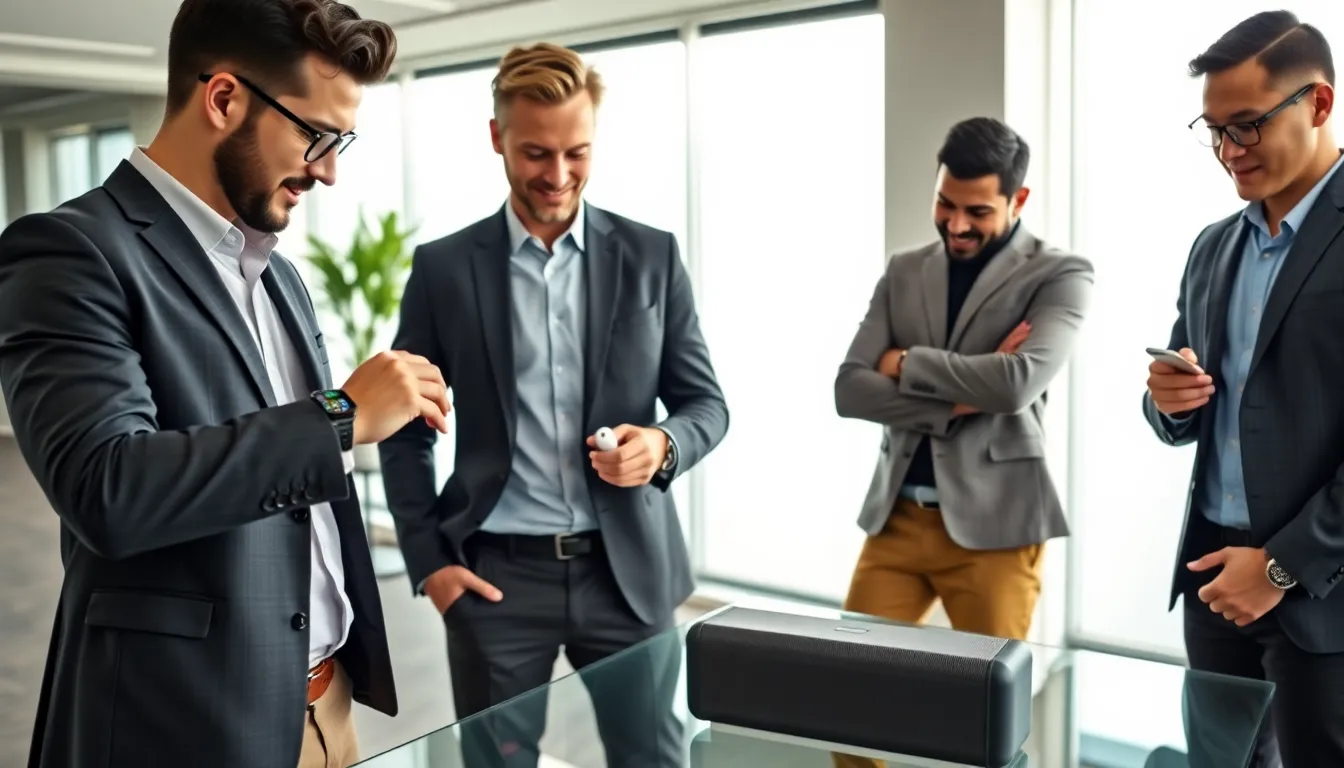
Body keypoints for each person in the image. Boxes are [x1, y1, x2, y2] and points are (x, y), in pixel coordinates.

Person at [0, 3, 437, 767]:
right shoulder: (69, 252)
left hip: (325, 711)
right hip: (183, 723)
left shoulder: (281, 277)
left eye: (344, 142)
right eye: (317, 136)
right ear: (225, 98)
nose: (330, 169)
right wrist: (340, 415)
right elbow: (108, 488)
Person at [379, 42, 728, 767]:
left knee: (653, 758)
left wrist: (663, 446)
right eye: (537, 152)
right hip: (497, 580)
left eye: (578, 152)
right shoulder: (443, 269)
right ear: (496, 137)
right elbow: (405, 425)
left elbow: (704, 404)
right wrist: (429, 563)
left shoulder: (651, 256)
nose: (559, 176)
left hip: (628, 574)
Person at [1143, 11, 1344, 768]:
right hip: (1213, 580)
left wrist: (1282, 566)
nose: (1230, 151)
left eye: (1249, 125)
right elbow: (1185, 411)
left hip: (1323, 594)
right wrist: (1166, 404)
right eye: (1216, 129)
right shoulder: (1213, 246)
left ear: (1318, 104)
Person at [833, 114, 1092, 685]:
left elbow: (1014, 384)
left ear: (1017, 198)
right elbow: (850, 388)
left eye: (977, 211)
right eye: (946, 203)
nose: (956, 224)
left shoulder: (1061, 274)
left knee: (986, 711)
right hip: (895, 520)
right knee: (842, 690)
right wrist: (956, 402)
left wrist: (904, 363)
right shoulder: (903, 270)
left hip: (998, 530)